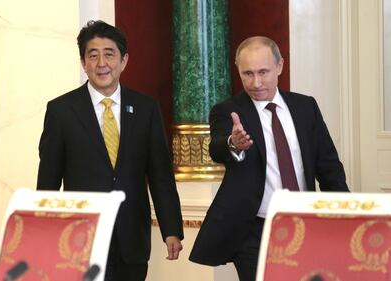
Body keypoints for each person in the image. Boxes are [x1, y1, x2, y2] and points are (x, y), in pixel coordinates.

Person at [189, 36, 349, 281]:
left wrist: (343, 217)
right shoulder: (228, 111)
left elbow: (328, 166)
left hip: (306, 223)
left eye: (263, 72)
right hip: (254, 230)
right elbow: (216, 148)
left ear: (280, 66)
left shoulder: (305, 107)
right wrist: (233, 143)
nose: (256, 82)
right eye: (247, 74)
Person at [37, 20, 183, 281]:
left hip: (132, 239)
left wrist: (171, 229)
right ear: (84, 63)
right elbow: (48, 180)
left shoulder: (146, 108)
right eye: (93, 55)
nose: (101, 63)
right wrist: (46, 233)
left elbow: (160, 174)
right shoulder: (61, 111)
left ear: (123, 60)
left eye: (109, 54)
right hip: (80, 238)